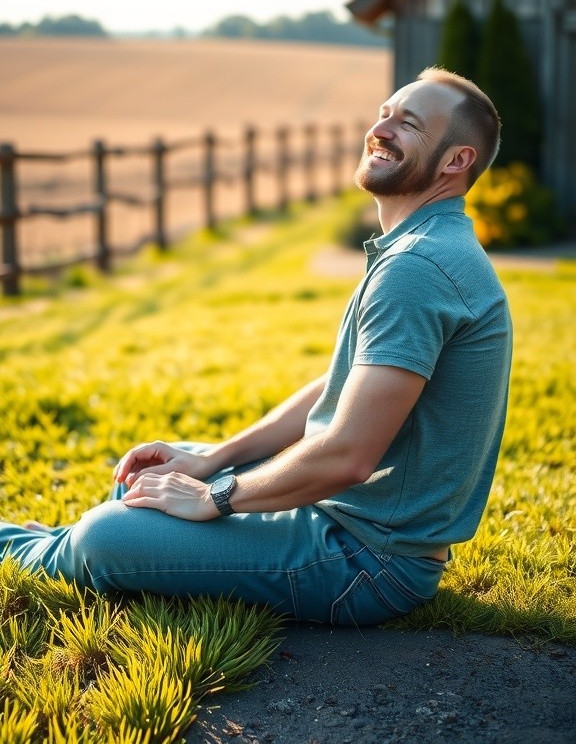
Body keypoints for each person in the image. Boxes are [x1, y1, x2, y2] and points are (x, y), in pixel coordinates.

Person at [0, 67, 512, 627]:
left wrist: (215, 495)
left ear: (455, 160)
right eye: (384, 113)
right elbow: (343, 385)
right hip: (351, 524)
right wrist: (212, 461)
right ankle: (62, 542)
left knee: (105, 537)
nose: (380, 130)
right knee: (152, 470)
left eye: (408, 124)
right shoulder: (425, 245)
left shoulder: (418, 266)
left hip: (366, 560)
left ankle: (42, 548)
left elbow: (348, 456)